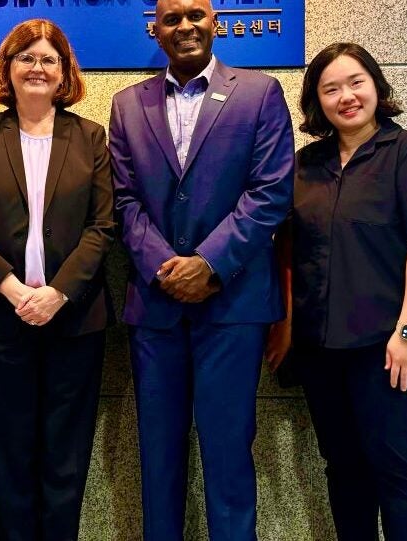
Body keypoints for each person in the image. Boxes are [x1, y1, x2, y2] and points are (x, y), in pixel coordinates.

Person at [107, 0, 294, 537]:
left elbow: (271, 193)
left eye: (196, 14)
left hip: (232, 307)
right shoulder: (126, 105)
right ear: (156, 30)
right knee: (157, 460)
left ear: (216, 22)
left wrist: (209, 264)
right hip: (156, 306)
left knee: (229, 456)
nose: (185, 26)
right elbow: (123, 201)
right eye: (172, 18)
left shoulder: (259, 93)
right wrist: (168, 268)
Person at [264, 42, 407, 541]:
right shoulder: (304, 165)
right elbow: (286, 248)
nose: (346, 96)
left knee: (395, 469)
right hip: (320, 348)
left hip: (390, 347)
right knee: (344, 469)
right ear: (317, 101)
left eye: (356, 82)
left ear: (376, 86)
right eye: (330, 89)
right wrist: (286, 327)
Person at [0, 18, 115, 541]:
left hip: (75, 321)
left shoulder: (90, 136)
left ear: (65, 73)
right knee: (9, 458)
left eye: (49, 59)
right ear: (8, 68)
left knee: (66, 461)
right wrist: (17, 291)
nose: (37, 67)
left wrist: (57, 293)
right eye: (26, 57)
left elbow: (104, 225)